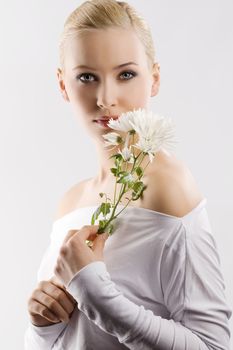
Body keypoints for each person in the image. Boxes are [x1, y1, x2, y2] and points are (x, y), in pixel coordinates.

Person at [24, 0, 232, 349]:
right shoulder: (70, 203)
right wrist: (41, 328)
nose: (106, 98)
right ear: (62, 85)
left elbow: (213, 345)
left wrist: (97, 293)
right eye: (86, 77)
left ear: (155, 79)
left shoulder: (168, 186)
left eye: (126, 74)